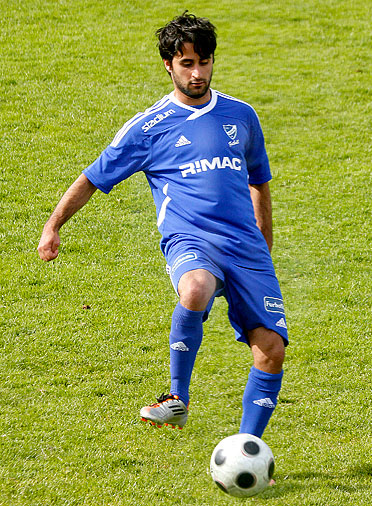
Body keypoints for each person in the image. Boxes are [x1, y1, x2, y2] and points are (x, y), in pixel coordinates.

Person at [37, 12, 287, 438]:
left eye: (203, 62)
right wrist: (53, 224)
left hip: (246, 246)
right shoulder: (148, 127)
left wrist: (264, 243)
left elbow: (258, 182)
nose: (197, 72)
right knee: (194, 288)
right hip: (190, 237)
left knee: (272, 349)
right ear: (168, 65)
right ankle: (176, 398)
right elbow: (94, 176)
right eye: (186, 64)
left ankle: (247, 448)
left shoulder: (241, 116)